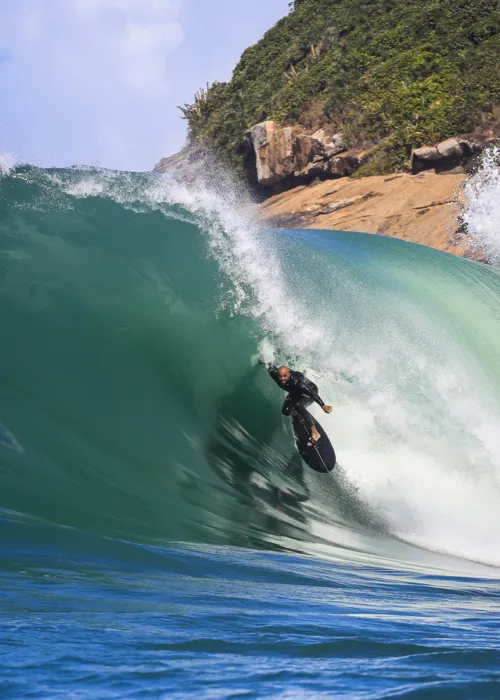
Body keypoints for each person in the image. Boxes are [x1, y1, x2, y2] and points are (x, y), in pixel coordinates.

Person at [260, 362, 332, 447]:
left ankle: (315, 433)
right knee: (286, 411)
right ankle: (300, 413)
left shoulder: (298, 382)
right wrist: (262, 360)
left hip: (309, 392)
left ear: (289, 374)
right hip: (295, 392)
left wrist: (322, 405)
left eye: (284, 376)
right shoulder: (275, 374)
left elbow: (312, 394)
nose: (282, 379)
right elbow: (269, 365)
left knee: (298, 405)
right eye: (280, 376)